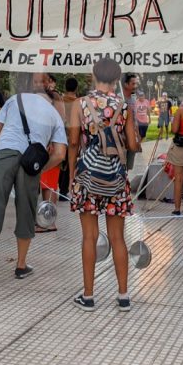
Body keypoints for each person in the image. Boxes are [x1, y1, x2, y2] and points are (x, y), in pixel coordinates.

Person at [0, 73, 67, 284]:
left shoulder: (15, 100)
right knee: (26, 210)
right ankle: (21, 265)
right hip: (30, 164)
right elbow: (60, 154)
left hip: (4, 154)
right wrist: (41, 169)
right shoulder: (55, 114)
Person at [67, 57, 141, 311]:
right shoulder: (123, 105)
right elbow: (132, 146)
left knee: (90, 236)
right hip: (116, 179)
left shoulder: (80, 104)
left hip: (87, 176)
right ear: (117, 79)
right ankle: (123, 296)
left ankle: (88, 296)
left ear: (93, 74)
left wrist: (71, 177)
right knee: (118, 237)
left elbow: (74, 142)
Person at [37, 74, 65, 228]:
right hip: (44, 144)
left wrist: (52, 141)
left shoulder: (55, 97)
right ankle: (46, 218)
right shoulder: (42, 96)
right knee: (46, 184)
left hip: (52, 146)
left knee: (50, 184)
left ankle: (49, 221)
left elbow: (60, 120)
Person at [59, 76, 81, 200]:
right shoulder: (78, 102)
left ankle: (58, 186)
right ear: (76, 88)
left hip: (60, 133)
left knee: (60, 161)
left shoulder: (60, 100)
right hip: (72, 134)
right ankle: (63, 189)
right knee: (69, 162)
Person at [121, 73, 140, 171]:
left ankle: (126, 184)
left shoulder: (133, 99)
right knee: (121, 165)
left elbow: (134, 120)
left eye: (136, 84)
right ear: (126, 84)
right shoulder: (119, 99)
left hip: (132, 138)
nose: (135, 86)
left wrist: (138, 137)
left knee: (128, 167)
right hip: (121, 139)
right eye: (133, 84)